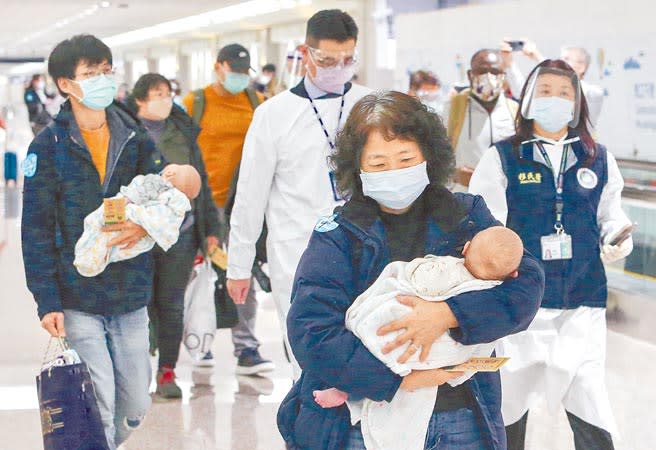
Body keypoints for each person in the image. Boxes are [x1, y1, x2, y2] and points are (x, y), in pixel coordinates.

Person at [276, 91, 545, 450]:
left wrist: (448, 314)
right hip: (365, 416)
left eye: (406, 159)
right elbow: (310, 329)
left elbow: (525, 286)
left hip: (460, 415)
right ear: (357, 167)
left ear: (428, 158)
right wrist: (397, 379)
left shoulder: (465, 217)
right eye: (378, 163)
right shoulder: (339, 234)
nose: (394, 172)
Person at [20, 34, 194, 450]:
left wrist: (149, 228)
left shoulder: (135, 139)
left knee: (136, 399)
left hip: (131, 291)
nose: (101, 79)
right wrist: (47, 300)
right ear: (66, 84)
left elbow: (166, 194)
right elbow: (36, 229)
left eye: (105, 70)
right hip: (78, 294)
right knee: (97, 400)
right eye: (89, 73)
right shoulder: (48, 147)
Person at [469, 59, 633, 450]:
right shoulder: (503, 157)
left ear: (577, 103)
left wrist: (617, 238)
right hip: (521, 307)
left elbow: (611, 214)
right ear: (526, 99)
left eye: (565, 93)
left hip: (583, 302)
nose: (555, 100)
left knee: (591, 406)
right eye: (545, 92)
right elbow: (484, 227)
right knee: (507, 411)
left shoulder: (598, 158)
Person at [226, 9, 372, 378]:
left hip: (366, 250)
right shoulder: (273, 114)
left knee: (364, 355)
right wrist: (239, 266)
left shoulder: (372, 106)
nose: (338, 68)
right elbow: (250, 196)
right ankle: (307, 431)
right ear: (305, 54)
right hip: (297, 253)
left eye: (347, 60)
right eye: (326, 60)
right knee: (309, 362)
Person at [312, 226, 523, 450]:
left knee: (378, 341)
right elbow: (485, 341)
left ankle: (346, 390)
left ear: (466, 248)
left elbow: (417, 279)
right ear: (514, 273)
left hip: (401, 338)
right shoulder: (493, 297)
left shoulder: (446, 268)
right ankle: (356, 388)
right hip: (440, 359)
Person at [182, 44, 274, 375]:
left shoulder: (256, 103)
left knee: (240, 272)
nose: (237, 77)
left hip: (243, 203)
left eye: (242, 72)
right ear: (217, 66)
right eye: (232, 69)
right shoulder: (196, 102)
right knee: (196, 274)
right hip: (201, 201)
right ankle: (198, 339)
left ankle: (246, 347)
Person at [128, 73, 221, 397]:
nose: (165, 99)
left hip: (180, 233)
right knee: (139, 303)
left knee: (170, 303)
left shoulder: (182, 132)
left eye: (168, 93)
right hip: (137, 233)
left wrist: (211, 230)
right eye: (157, 93)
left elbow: (202, 184)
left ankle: (167, 371)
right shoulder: (125, 133)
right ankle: (138, 368)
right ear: (140, 99)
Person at [73, 166, 201, 277]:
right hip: (135, 238)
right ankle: (92, 258)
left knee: (102, 229)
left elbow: (155, 214)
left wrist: (143, 222)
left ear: (170, 174)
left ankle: (90, 257)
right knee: (109, 239)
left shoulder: (160, 188)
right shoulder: (175, 202)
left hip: (131, 221)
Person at [443, 49, 518, 191]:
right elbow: (433, 157)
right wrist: (455, 174)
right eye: (482, 71)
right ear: (470, 75)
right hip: (464, 200)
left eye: (495, 72)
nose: (489, 77)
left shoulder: (515, 113)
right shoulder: (452, 110)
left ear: (503, 76)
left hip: (505, 201)